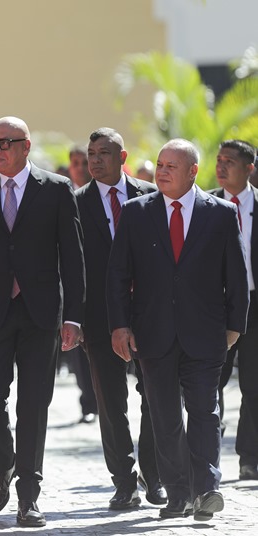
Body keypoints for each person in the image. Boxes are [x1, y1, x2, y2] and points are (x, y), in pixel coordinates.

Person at [0, 116, 85, 528]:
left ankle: (28, 496)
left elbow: (73, 260)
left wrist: (74, 316)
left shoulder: (57, 190)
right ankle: (6, 462)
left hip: (41, 313)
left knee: (34, 405)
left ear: (26, 146)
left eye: (6, 142)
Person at [107, 138, 249, 522]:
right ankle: (178, 493)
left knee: (205, 411)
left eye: (172, 165)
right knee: (164, 415)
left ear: (192, 172)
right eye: (160, 164)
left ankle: (207, 488)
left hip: (206, 334)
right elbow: (118, 274)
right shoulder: (136, 213)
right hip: (152, 333)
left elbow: (236, 275)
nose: (162, 171)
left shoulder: (219, 214)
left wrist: (235, 326)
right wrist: (119, 326)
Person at [75, 128, 164, 510]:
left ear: (122, 157)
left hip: (150, 315)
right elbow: (71, 265)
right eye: (91, 153)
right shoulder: (75, 203)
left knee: (156, 399)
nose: (95, 160)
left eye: (104, 153)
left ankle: (154, 475)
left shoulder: (150, 196)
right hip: (99, 318)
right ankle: (124, 482)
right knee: (111, 403)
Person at [210, 140, 258, 481]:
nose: (222, 166)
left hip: (255, 309)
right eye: (219, 160)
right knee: (209, 384)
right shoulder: (206, 204)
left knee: (254, 388)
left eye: (230, 161)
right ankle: (207, 455)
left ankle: (249, 458)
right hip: (215, 309)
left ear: (249, 168)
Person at [65, 145, 97, 424]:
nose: (79, 167)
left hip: (100, 284)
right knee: (78, 350)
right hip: (73, 286)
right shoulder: (64, 196)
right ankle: (88, 402)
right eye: (74, 162)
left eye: (83, 162)